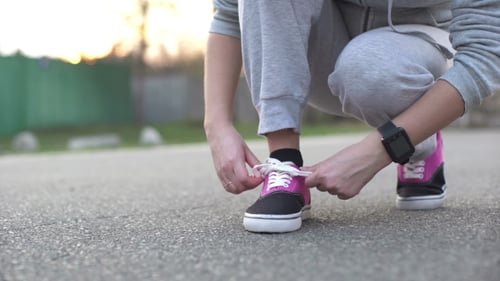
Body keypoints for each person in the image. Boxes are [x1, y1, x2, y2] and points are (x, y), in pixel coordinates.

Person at [204, 0, 500, 233]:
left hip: (419, 51)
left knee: (368, 69)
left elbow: (485, 56)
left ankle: (417, 137)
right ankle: (284, 162)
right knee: (364, 67)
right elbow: (230, 14)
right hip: (322, 51)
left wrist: (380, 150)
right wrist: (217, 125)